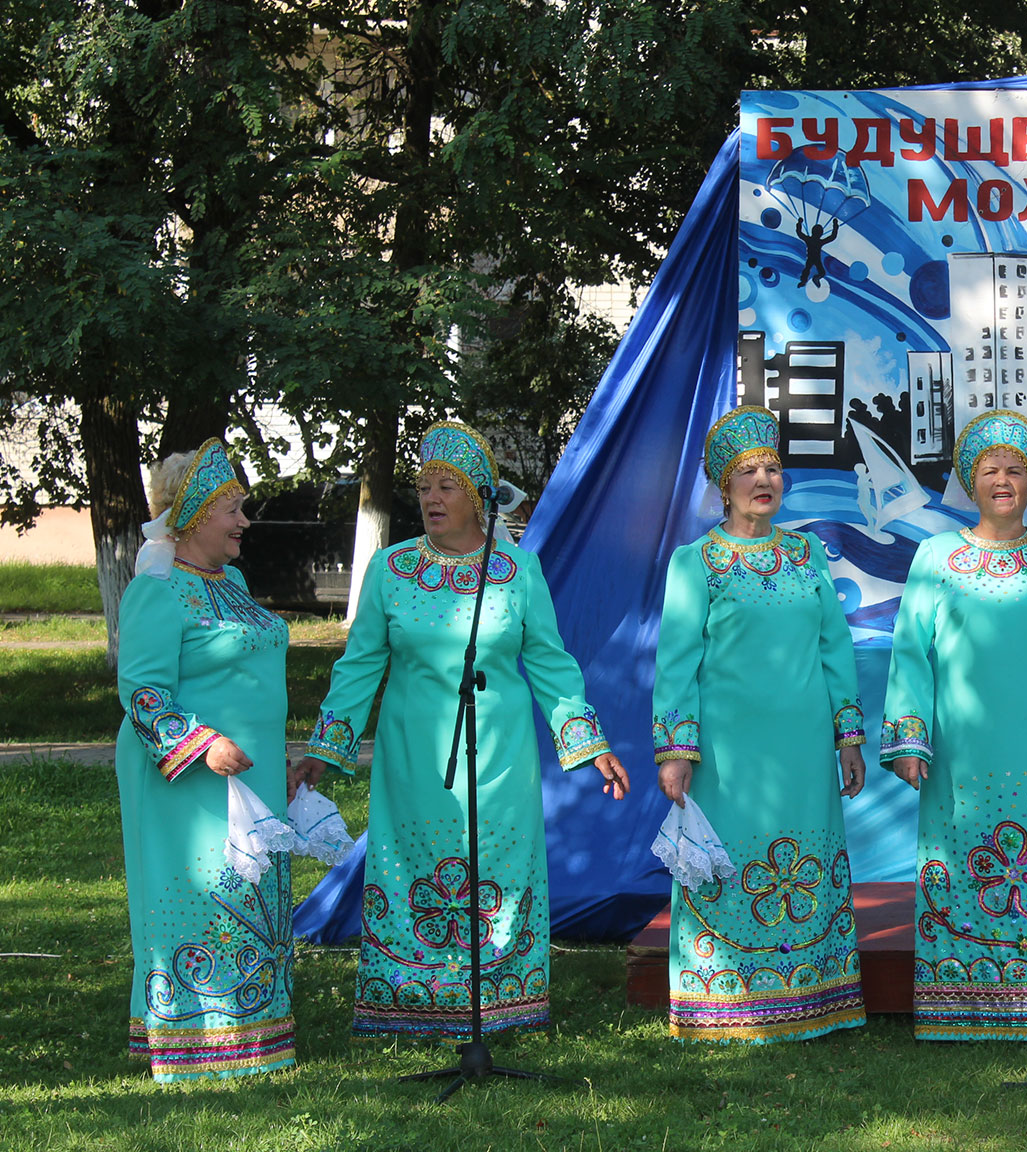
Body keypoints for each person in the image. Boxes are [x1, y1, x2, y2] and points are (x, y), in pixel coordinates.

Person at [290, 421, 628, 1039]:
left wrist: (587, 743)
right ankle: (411, 998)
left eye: (446, 487)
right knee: (413, 863)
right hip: (413, 756)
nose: (431, 498)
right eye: (424, 487)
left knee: (498, 864)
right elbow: (359, 667)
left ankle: (501, 999)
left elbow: (551, 665)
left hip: (501, 755)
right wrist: (325, 748)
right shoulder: (391, 570)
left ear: (476, 497)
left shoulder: (517, 571)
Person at [881, 409, 1027, 1041]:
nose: (1003, 480)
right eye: (990, 470)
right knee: (965, 861)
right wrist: (909, 735)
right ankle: (962, 1000)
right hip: (960, 755)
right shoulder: (936, 555)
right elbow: (912, 652)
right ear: (970, 481)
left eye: (1016, 469)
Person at [651, 404, 868, 1043]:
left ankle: (815, 994)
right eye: (748, 471)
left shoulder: (806, 553)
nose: (764, 480)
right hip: (727, 755)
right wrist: (676, 749)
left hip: (803, 750)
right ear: (725, 485)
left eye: (772, 468)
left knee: (805, 862)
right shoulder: (696, 561)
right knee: (729, 862)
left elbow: (834, 649)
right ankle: (723, 999)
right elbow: (676, 664)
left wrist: (848, 737)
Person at [115, 439, 296, 1080]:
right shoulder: (157, 590)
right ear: (194, 515)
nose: (244, 521)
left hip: (253, 772)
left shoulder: (233, 582)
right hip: (190, 778)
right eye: (232, 509)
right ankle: (196, 1036)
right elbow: (141, 692)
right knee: (203, 894)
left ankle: (253, 1030)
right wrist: (202, 743)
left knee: (251, 893)